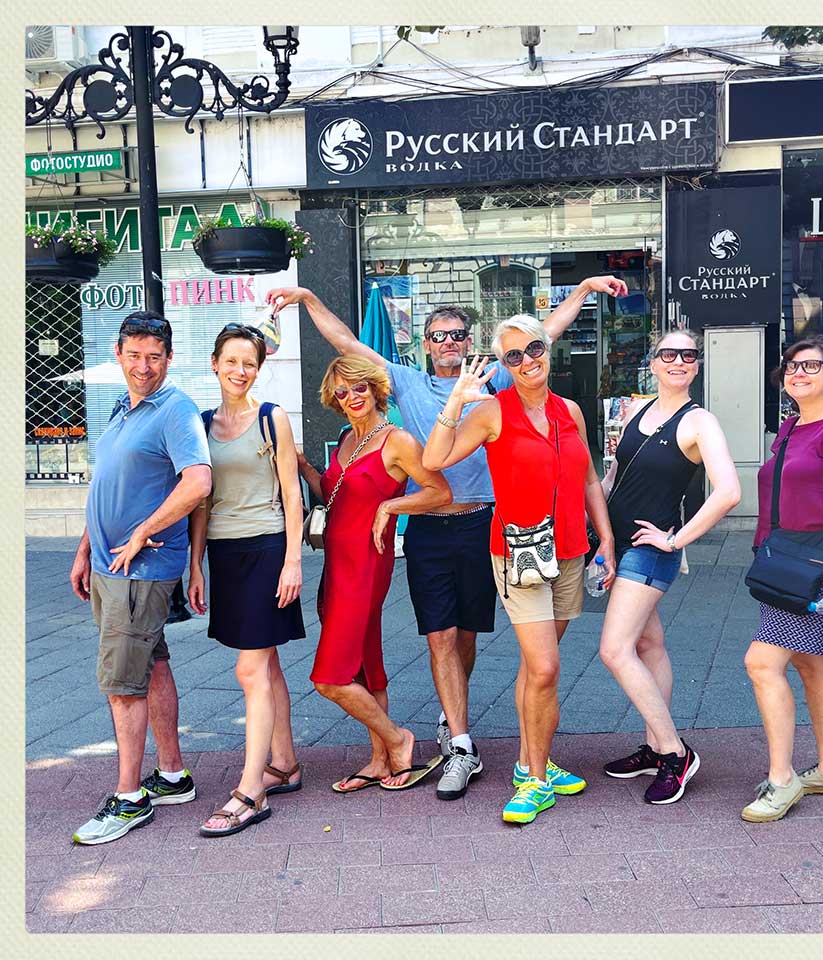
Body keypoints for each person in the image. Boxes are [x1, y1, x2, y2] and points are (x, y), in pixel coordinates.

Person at [266, 276, 626, 801]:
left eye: (457, 334)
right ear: (426, 343)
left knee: (466, 638)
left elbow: (540, 335)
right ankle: (460, 741)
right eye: (438, 336)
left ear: (469, 341)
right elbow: (345, 342)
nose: (448, 343)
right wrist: (308, 297)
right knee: (440, 636)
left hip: (484, 525)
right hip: (430, 529)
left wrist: (584, 290)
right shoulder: (408, 382)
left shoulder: (494, 379)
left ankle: (458, 717)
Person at [423, 315, 615, 824]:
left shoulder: (569, 410)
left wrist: (607, 539)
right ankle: (533, 780)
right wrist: (456, 401)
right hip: (519, 554)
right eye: (513, 356)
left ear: (548, 348)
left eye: (534, 348)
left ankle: (536, 762)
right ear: (504, 364)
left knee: (536, 666)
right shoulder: (492, 411)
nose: (527, 361)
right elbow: (435, 457)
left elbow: (589, 478)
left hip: (570, 550)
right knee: (546, 667)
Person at [69, 311, 211, 845]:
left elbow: (198, 482)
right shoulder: (121, 408)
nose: (144, 366)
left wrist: (142, 531)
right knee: (151, 667)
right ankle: (172, 776)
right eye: (134, 355)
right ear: (118, 354)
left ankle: (129, 799)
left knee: (122, 685)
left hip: (140, 567)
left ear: (169, 358)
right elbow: (107, 484)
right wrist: (85, 549)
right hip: (110, 565)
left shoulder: (175, 409)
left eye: (154, 356)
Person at [298, 356, 452, 792]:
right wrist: (304, 466)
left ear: (375, 388)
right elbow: (334, 493)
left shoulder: (397, 441)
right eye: (342, 392)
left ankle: (397, 740)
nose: (352, 397)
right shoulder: (348, 438)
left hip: (367, 563)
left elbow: (440, 491)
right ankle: (380, 761)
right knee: (367, 665)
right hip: (337, 563)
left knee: (329, 679)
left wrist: (390, 505)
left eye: (359, 387)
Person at [600, 331, 740, 804]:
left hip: (651, 549)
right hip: (621, 544)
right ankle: (653, 748)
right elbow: (614, 478)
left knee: (615, 650)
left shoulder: (699, 421)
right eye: (668, 354)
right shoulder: (637, 412)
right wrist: (597, 532)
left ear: (697, 365)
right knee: (649, 644)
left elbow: (729, 492)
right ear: (654, 362)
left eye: (688, 355)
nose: (678, 361)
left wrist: (676, 539)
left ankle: (675, 753)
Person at [742, 335, 823, 822]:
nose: (798, 373)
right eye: (792, 366)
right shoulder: (791, 426)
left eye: (812, 366)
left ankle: (782, 780)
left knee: (761, 663)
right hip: (784, 561)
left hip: (816, 566)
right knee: (812, 665)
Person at [186, 324, 306, 837]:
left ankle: (251, 789)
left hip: (267, 550)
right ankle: (286, 763)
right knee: (267, 663)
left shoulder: (271, 417)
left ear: (259, 369)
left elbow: (293, 493)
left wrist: (293, 561)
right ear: (215, 363)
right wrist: (196, 563)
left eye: (249, 363)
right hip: (224, 552)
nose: (240, 371)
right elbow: (201, 500)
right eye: (231, 361)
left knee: (249, 669)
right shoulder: (201, 423)